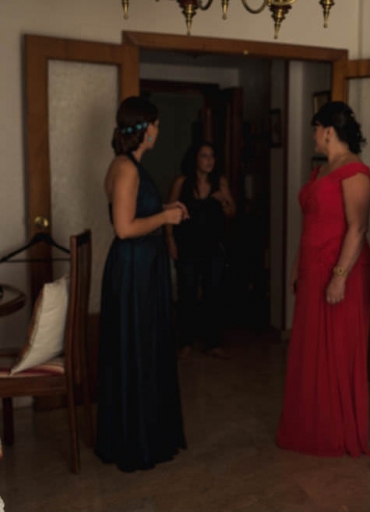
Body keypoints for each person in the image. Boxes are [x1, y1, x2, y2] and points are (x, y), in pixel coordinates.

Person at [276, 101, 370, 457]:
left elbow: (358, 226)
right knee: (310, 349)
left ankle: (334, 430)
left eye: (315, 129)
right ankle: (311, 424)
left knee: (335, 349)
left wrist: (339, 277)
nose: (313, 137)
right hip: (314, 268)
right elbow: (311, 225)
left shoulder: (355, 170)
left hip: (340, 270)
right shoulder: (323, 169)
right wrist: (297, 266)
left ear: (328, 131)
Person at [96, 96, 188, 472]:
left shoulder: (130, 164)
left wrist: (166, 213)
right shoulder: (126, 169)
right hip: (133, 269)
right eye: (156, 123)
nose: (159, 130)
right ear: (143, 128)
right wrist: (166, 216)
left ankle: (148, 433)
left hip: (143, 267)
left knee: (145, 347)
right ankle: (136, 441)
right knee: (137, 347)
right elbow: (124, 228)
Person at [166, 141, 235, 359]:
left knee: (213, 292)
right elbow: (169, 213)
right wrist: (170, 241)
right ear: (195, 158)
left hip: (213, 246)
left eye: (212, 156)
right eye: (204, 156)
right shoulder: (182, 182)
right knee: (187, 292)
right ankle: (185, 340)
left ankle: (212, 341)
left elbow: (232, 211)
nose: (209, 161)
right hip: (187, 245)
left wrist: (223, 200)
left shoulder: (220, 182)